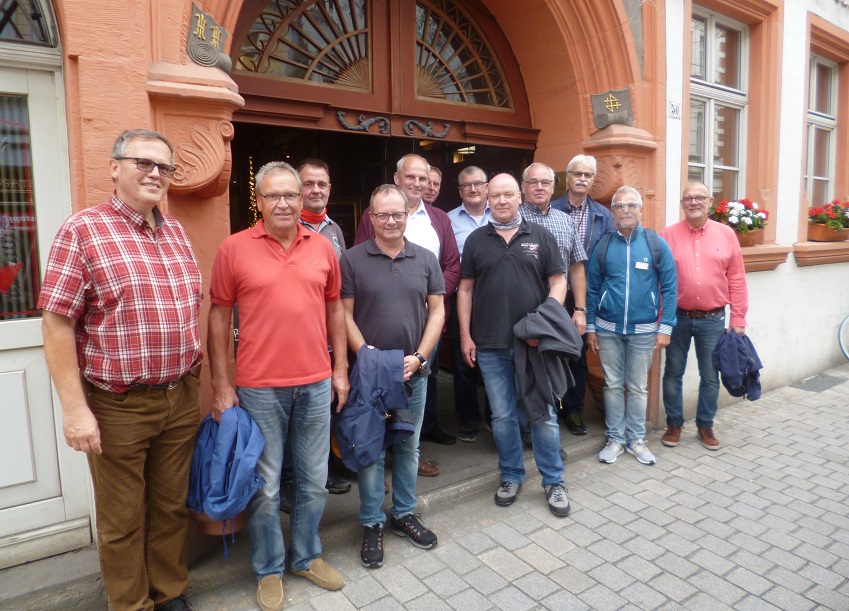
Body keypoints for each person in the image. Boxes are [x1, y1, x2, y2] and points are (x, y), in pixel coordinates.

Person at [38, 129, 201, 611]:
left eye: (164, 167)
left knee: (172, 508)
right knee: (122, 518)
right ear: (114, 167)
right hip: (119, 405)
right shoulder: (83, 230)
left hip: (180, 395)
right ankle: (131, 604)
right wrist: (75, 410)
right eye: (142, 163)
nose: (155, 174)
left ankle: (169, 592)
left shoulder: (174, 231)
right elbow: (56, 322)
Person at [208, 161, 349, 611]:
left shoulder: (322, 247)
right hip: (258, 388)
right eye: (274, 196)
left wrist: (340, 369)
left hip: (314, 383)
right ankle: (269, 568)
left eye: (291, 194)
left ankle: (305, 556)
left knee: (315, 481)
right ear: (259, 200)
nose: (285, 203)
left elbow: (335, 313)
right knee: (265, 487)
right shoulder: (234, 249)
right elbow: (218, 317)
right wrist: (222, 385)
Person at [342, 184, 445, 568]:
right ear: (370, 216)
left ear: (408, 215)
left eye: (397, 214)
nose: (390, 221)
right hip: (371, 377)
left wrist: (419, 357)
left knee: (408, 447)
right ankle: (371, 522)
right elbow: (344, 314)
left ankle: (404, 514)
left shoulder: (426, 258)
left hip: (413, 373)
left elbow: (437, 312)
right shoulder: (352, 260)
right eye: (382, 214)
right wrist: (367, 358)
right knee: (370, 450)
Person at [457, 173, 571, 517]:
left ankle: (553, 481)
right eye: (496, 195)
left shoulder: (541, 235)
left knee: (543, 414)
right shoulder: (476, 240)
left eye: (508, 194)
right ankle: (510, 475)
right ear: (487, 199)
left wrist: (545, 323)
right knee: (503, 415)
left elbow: (558, 282)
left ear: (520, 197)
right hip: (490, 344)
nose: (502, 200)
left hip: (532, 343)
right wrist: (465, 334)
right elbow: (465, 289)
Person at [355, 155, 460, 472]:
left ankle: (414, 451)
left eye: (422, 178)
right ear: (397, 179)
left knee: (423, 382)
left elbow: (452, 264)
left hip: (427, 319)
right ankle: (379, 456)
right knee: (381, 393)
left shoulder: (439, 218)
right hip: (381, 324)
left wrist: (434, 296)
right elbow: (362, 263)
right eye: (410, 177)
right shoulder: (374, 214)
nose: (417, 183)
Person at [585, 186, 677, 466]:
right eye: (619, 205)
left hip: (644, 330)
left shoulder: (655, 244)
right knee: (613, 385)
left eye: (631, 205)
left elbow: (670, 288)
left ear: (640, 210)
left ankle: (636, 439)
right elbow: (592, 289)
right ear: (612, 212)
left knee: (637, 387)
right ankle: (615, 438)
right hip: (608, 328)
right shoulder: (603, 245)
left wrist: (666, 327)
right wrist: (590, 326)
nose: (625, 209)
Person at [278, 159, 350, 513]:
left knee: (324, 411)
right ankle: (289, 481)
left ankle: (322, 471)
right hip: (294, 341)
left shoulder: (335, 231)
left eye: (322, 184)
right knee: (294, 415)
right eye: (309, 184)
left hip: (327, 339)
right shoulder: (285, 228)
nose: (316, 190)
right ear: (297, 189)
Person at [659, 182, 748, 450]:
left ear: (710, 202)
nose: (694, 202)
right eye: (688, 198)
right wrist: (662, 320)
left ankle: (705, 425)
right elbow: (660, 282)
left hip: (713, 319)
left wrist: (738, 319)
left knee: (710, 375)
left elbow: (737, 278)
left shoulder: (727, 234)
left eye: (699, 197)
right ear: (682, 203)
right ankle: (674, 424)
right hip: (677, 318)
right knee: (673, 372)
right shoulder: (667, 235)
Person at [551, 154, 614, 435]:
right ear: (567, 177)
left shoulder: (603, 215)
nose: (583, 179)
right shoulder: (549, 209)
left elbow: (609, 258)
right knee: (548, 351)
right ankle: (550, 409)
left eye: (588, 175)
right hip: (551, 293)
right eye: (578, 174)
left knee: (577, 353)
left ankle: (573, 411)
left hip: (583, 295)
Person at [446, 166, 492, 441]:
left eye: (478, 184)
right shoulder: (448, 220)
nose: (473, 189)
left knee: (493, 359)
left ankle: (492, 415)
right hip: (460, 298)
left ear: (487, 186)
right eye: (466, 185)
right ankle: (468, 418)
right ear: (460, 191)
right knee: (463, 362)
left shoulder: (502, 215)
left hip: (493, 301)